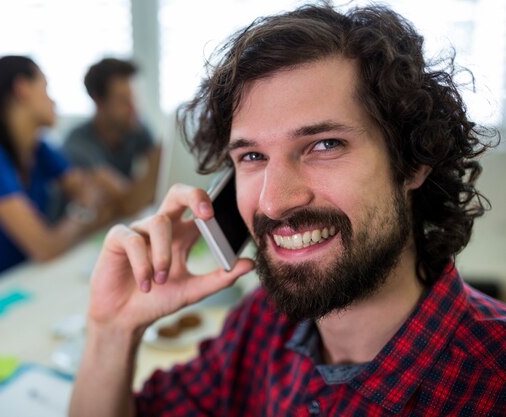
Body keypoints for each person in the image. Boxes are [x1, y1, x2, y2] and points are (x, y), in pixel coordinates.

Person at [70, 4, 506, 417]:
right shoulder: (263, 322)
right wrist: (113, 329)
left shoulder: (492, 382)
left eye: (324, 145)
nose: (274, 202)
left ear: (412, 161)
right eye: (253, 157)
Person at [0, 56, 114, 302]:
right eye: (46, 89)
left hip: (18, 285)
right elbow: (44, 247)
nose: (53, 101)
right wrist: (83, 211)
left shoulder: (37, 149)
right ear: (22, 89)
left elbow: (89, 192)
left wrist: (89, 201)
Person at [59, 57, 161, 219]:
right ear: (98, 100)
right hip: (80, 237)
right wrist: (157, 162)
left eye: (134, 98)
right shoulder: (78, 145)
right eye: (123, 100)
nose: (134, 108)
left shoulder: (136, 128)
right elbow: (129, 202)